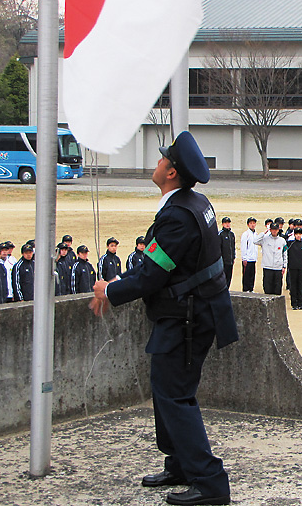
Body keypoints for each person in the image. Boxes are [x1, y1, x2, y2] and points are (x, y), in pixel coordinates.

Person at [90, 130, 238, 506]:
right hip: (193, 312)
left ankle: (210, 482)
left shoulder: (177, 217)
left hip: (187, 318)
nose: (156, 163)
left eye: (161, 160)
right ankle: (180, 464)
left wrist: (110, 290)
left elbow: (153, 274)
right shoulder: (193, 202)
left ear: (171, 173)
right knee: (166, 390)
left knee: (175, 395)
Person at [254, 222, 287, 295]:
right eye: (272, 229)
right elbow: (255, 241)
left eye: (276, 229)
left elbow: (285, 254)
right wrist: (264, 233)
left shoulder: (282, 241)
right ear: (270, 230)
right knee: (267, 288)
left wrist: (284, 266)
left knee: (277, 288)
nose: (274, 231)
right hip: (267, 267)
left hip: (278, 268)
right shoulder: (265, 239)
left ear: (278, 230)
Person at [287, 227, 302, 310]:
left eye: (299, 234)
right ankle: (294, 304)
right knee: (293, 286)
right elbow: (284, 250)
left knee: (300, 286)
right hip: (292, 268)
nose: (298, 236)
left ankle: (300, 303)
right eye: (296, 234)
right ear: (294, 235)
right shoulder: (290, 244)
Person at [240, 217, 258, 292]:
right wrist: (244, 258)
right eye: (251, 223)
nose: (252, 225)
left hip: (253, 258)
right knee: (246, 275)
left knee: (252, 275)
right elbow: (243, 247)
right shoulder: (246, 234)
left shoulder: (256, 234)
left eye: (254, 223)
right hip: (247, 259)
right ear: (248, 225)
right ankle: (246, 289)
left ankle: (251, 288)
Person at [218, 217, 236, 290]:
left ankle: (227, 289)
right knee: (223, 278)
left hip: (230, 261)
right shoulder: (220, 234)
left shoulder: (231, 234)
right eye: (226, 223)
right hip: (223, 261)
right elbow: (218, 248)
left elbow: (233, 246)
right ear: (222, 224)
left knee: (229, 277)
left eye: (228, 223)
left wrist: (233, 257)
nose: (227, 224)